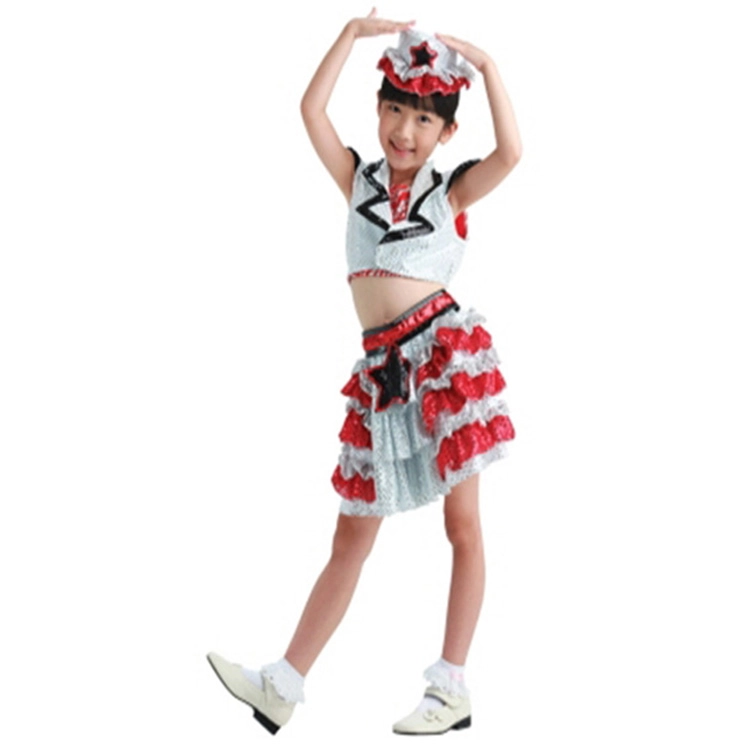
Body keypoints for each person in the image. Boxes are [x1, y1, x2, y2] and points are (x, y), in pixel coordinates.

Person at [206, 9, 522, 736]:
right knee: (351, 536)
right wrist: (351, 35)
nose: (404, 131)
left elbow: (512, 153)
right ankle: (283, 683)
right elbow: (310, 110)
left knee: (462, 524)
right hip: (383, 372)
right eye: (394, 111)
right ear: (378, 110)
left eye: (423, 119)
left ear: (447, 132)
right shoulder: (357, 180)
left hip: (442, 360)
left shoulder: (451, 192)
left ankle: (451, 686)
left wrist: (487, 66)